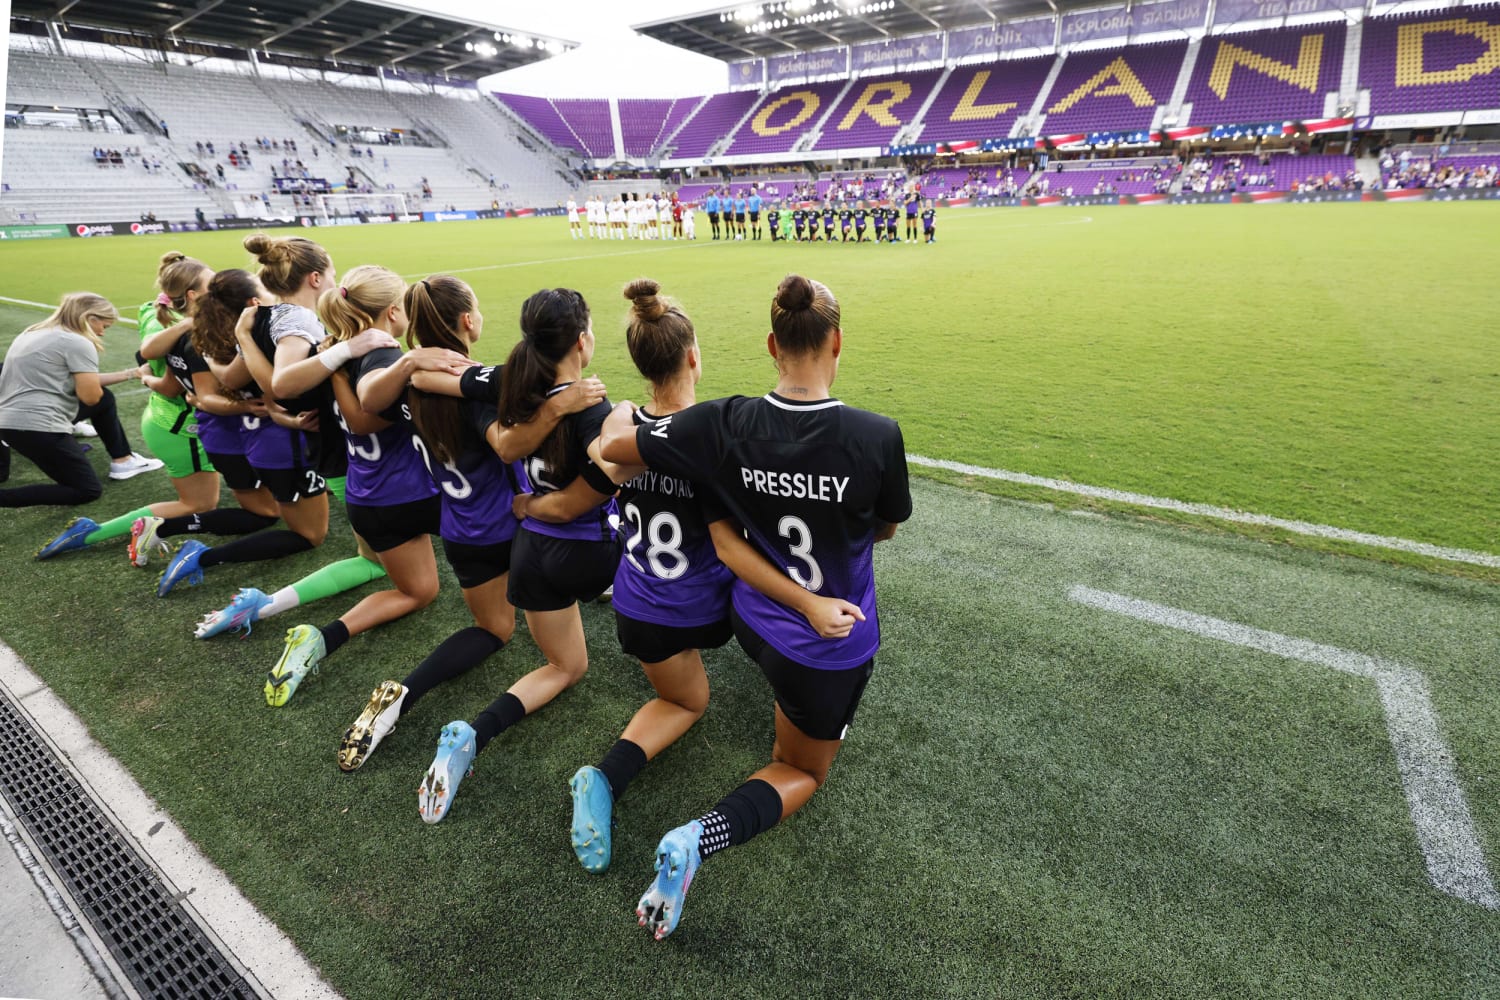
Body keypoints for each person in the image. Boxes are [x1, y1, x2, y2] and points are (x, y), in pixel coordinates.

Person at [599, 274, 912, 941]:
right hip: (824, 644)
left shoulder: (721, 423)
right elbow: (883, 530)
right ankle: (698, 838)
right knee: (801, 766)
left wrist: (618, 427)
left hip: (752, 622)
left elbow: (615, 453)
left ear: (772, 344)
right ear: (837, 343)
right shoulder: (877, 435)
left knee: (785, 697)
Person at [334, 276, 603, 771]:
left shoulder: (406, 379)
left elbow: (369, 400)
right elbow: (505, 443)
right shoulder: (472, 384)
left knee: (494, 629)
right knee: (568, 658)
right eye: (475, 308)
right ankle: (475, 733)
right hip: (515, 528)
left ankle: (403, 694)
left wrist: (411, 361)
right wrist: (556, 407)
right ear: (466, 320)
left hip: (460, 531)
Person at [415, 287, 636, 824]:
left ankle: (472, 733)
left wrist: (414, 360)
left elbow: (425, 379)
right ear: (582, 341)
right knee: (644, 544)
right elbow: (606, 470)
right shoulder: (590, 405)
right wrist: (623, 416)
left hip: (531, 552)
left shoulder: (510, 383)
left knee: (564, 665)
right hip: (584, 554)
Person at [567, 279, 732, 874]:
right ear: (693, 356)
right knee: (694, 698)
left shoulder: (618, 420)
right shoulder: (716, 429)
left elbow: (604, 456)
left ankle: (604, 781)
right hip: (711, 611)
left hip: (636, 606)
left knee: (676, 692)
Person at [155, 234, 381, 597]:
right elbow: (281, 385)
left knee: (331, 533)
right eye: (332, 272)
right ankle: (211, 563)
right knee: (313, 535)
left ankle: (201, 554)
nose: (336, 280)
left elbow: (234, 378)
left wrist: (241, 340)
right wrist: (343, 352)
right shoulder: (296, 321)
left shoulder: (262, 318)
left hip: (280, 441)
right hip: (304, 444)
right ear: (314, 278)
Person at [38, 254, 264, 561]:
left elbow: (152, 358)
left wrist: (148, 376)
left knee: (204, 499)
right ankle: (95, 532)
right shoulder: (191, 335)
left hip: (162, 417)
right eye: (211, 285)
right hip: (182, 426)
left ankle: (94, 531)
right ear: (193, 295)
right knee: (197, 504)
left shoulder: (155, 313)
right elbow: (170, 380)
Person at [2, 294, 163, 510]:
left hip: (10, 421)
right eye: (103, 325)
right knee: (86, 490)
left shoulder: (34, 331)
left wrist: (132, 373)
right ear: (89, 317)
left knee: (105, 399)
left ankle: (123, 461)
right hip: (36, 427)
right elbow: (90, 396)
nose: (102, 332)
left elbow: (87, 388)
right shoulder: (77, 342)